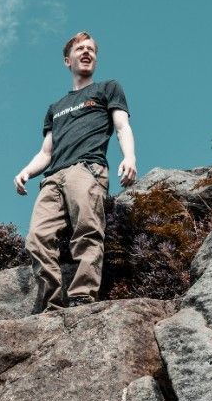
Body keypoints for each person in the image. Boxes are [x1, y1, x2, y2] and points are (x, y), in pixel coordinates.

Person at [13, 32, 137, 310]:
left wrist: (129, 157)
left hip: (86, 169)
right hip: (52, 178)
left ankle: (82, 297)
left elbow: (122, 127)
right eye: (80, 49)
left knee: (87, 231)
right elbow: (46, 152)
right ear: (67, 60)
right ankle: (51, 303)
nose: (86, 52)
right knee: (36, 238)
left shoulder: (108, 89)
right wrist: (26, 171)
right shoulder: (55, 108)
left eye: (91, 49)